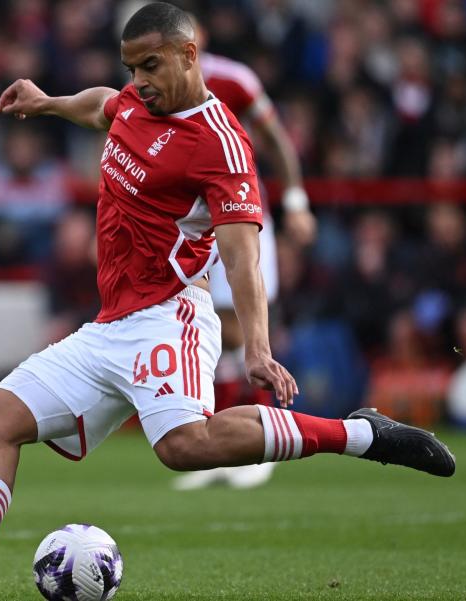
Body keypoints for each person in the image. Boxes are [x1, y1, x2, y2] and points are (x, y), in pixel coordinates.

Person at [0, 5, 455, 600]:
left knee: (182, 447)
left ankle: (362, 435)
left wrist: (258, 346)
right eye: (131, 67)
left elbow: (242, 252)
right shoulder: (139, 101)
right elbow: (103, 105)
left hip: (170, 316)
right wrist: (47, 102)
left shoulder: (219, 143)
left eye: (150, 65)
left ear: (189, 54)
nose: (139, 79)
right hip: (110, 324)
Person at [173, 15, 317, 491]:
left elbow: (275, 139)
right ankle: (220, 449)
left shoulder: (235, 80)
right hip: (192, 227)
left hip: (242, 217)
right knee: (209, 331)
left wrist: (296, 200)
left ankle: (259, 448)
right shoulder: (154, 88)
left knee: (243, 327)